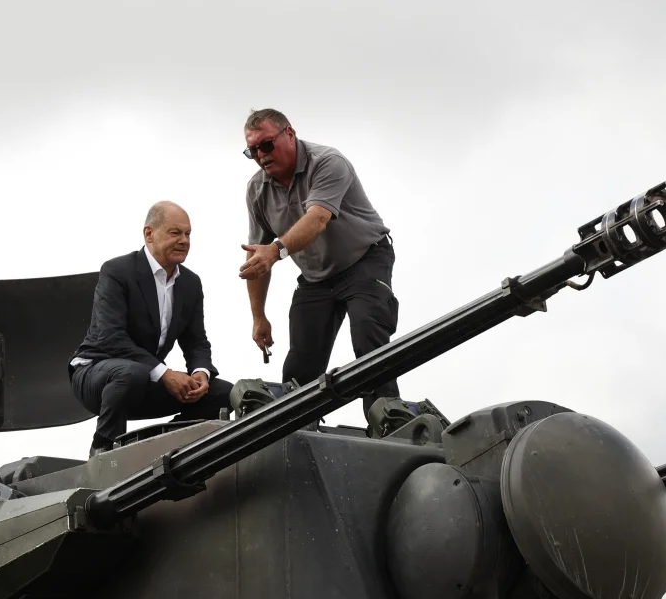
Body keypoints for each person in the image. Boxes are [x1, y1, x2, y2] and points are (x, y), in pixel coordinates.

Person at [237, 108, 419, 438]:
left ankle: (389, 427)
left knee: (369, 340)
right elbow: (257, 260)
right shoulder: (257, 191)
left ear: (289, 134)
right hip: (316, 279)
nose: (260, 156)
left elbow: (317, 219)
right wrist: (259, 317)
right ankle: (295, 435)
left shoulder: (328, 162)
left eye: (266, 146)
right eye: (252, 151)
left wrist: (276, 251)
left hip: (364, 261)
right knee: (298, 370)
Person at [69, 201, 234, 456]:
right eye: (175, 233)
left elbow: (196, 342)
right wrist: (165, 374)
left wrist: (201, 372)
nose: (184, 241)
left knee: (223, 393)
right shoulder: (116, 271)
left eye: (188, 234)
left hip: (144, 377)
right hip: (96, 374)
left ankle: (163, 450)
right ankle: (102, 451)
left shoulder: (190, 283)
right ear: (149, 234)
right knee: (130, 373)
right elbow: (111, 338)